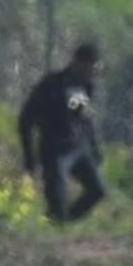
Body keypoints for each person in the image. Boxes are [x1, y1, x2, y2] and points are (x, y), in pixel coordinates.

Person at [19, 43, 106, 223]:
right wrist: (30, 156)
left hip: (77, 150)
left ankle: (67, 223)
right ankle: (58, 224)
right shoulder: (52, 85)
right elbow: (26, 120)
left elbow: (82, 118)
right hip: (55, 151)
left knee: (97, 191)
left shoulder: (79, 87)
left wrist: (94, 147)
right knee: (57, 204)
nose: (93, 74)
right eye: (91, 69)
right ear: (79, 63)